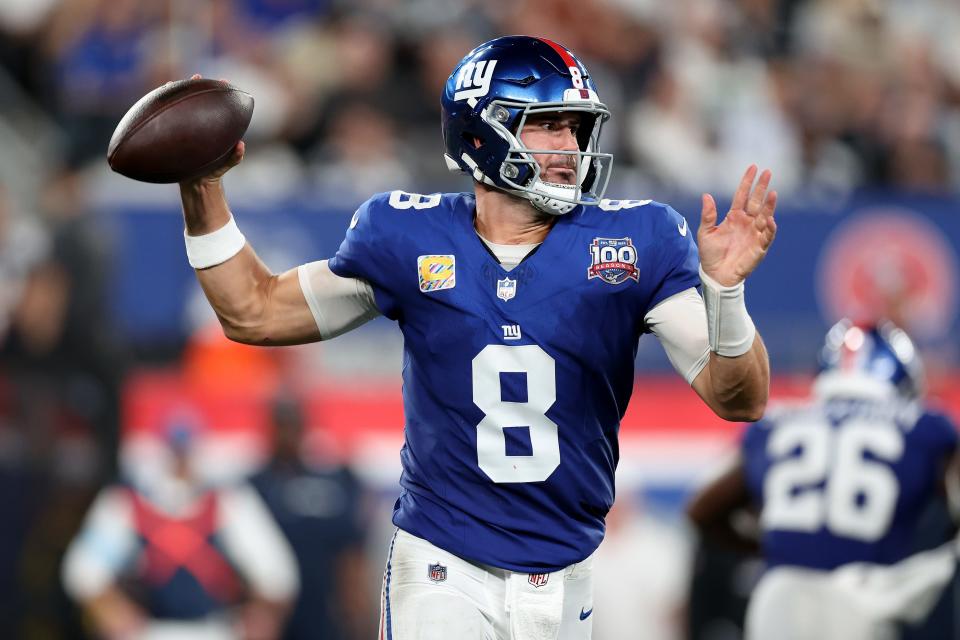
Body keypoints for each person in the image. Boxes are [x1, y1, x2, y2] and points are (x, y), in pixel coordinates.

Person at [176, 35, 777, 639]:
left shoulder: (637, 240)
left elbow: (739, 398)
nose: (569, 146)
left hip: (568, 571)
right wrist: (202, 186)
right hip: (444, 566)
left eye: (575, 127)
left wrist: (725, 295)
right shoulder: (405, 234)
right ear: (480, 133)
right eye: (546, 125)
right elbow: (254, 310)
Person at [686, 320, 960, 640]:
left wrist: (765, 548)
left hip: (779, 600)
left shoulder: (775, 423)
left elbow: (701, 509)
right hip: (863, 602)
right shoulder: (924, 427)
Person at [62, 411, 299, 640]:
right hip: (148, 632)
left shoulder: (227, 501)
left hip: (217, 630)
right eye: (176, 449)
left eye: (186, 449)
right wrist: (111, 611)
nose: (181, 458)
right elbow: (83, 571)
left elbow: (277, 574)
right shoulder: (129, 502)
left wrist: (262, 616)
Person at [250, 394, 374, 640]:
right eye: (281, 426)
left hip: (326, 610)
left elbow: (351, 553)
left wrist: (358, 608)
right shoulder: (255, 487)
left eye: (292, 425)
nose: (287, 435)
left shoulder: (335, 482)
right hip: (277, 613)